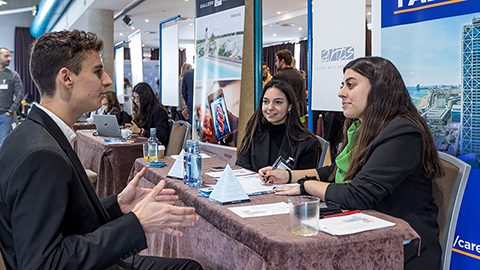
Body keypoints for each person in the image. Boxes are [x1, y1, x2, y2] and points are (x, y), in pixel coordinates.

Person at [0, 30, 202, 270]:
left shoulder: (34, 134)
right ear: (66, 78)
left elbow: (63, 218)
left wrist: (118, 204)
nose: (107, 80)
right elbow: (43, 264)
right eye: (97, 71)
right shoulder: (40, 155)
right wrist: (136, 223)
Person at [260, 57, 443, 269]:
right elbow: (336, 171)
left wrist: (305, 186)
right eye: (343, 85)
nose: (341, 93)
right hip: (368, 231)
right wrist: (290, 175)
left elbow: (358, 195)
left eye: (351, 84)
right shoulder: (361, 128)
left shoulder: (403, 133)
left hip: (403, 247)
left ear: (379, 89)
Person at [236, 80, 319, 172]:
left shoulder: (307, 143)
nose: (270, 107)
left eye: (278, 102)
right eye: (266, 102)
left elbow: (303, 180)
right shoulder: (254, 130)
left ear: (289, 106)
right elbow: (241, 166)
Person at [273, 49, 307, 118]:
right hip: (297, 113)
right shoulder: (299, 76)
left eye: (277, 60)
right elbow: (302, 96)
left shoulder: (278, 76)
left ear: (282, 61)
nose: (275, 63)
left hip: (283, 113)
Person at [0, 47, 23, 147]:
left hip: (6, 116)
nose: (9, 58)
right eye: (6, 56)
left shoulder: (13, 75)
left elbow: (20, 94)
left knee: (3, 145)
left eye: (10, 56)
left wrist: (10, 111)